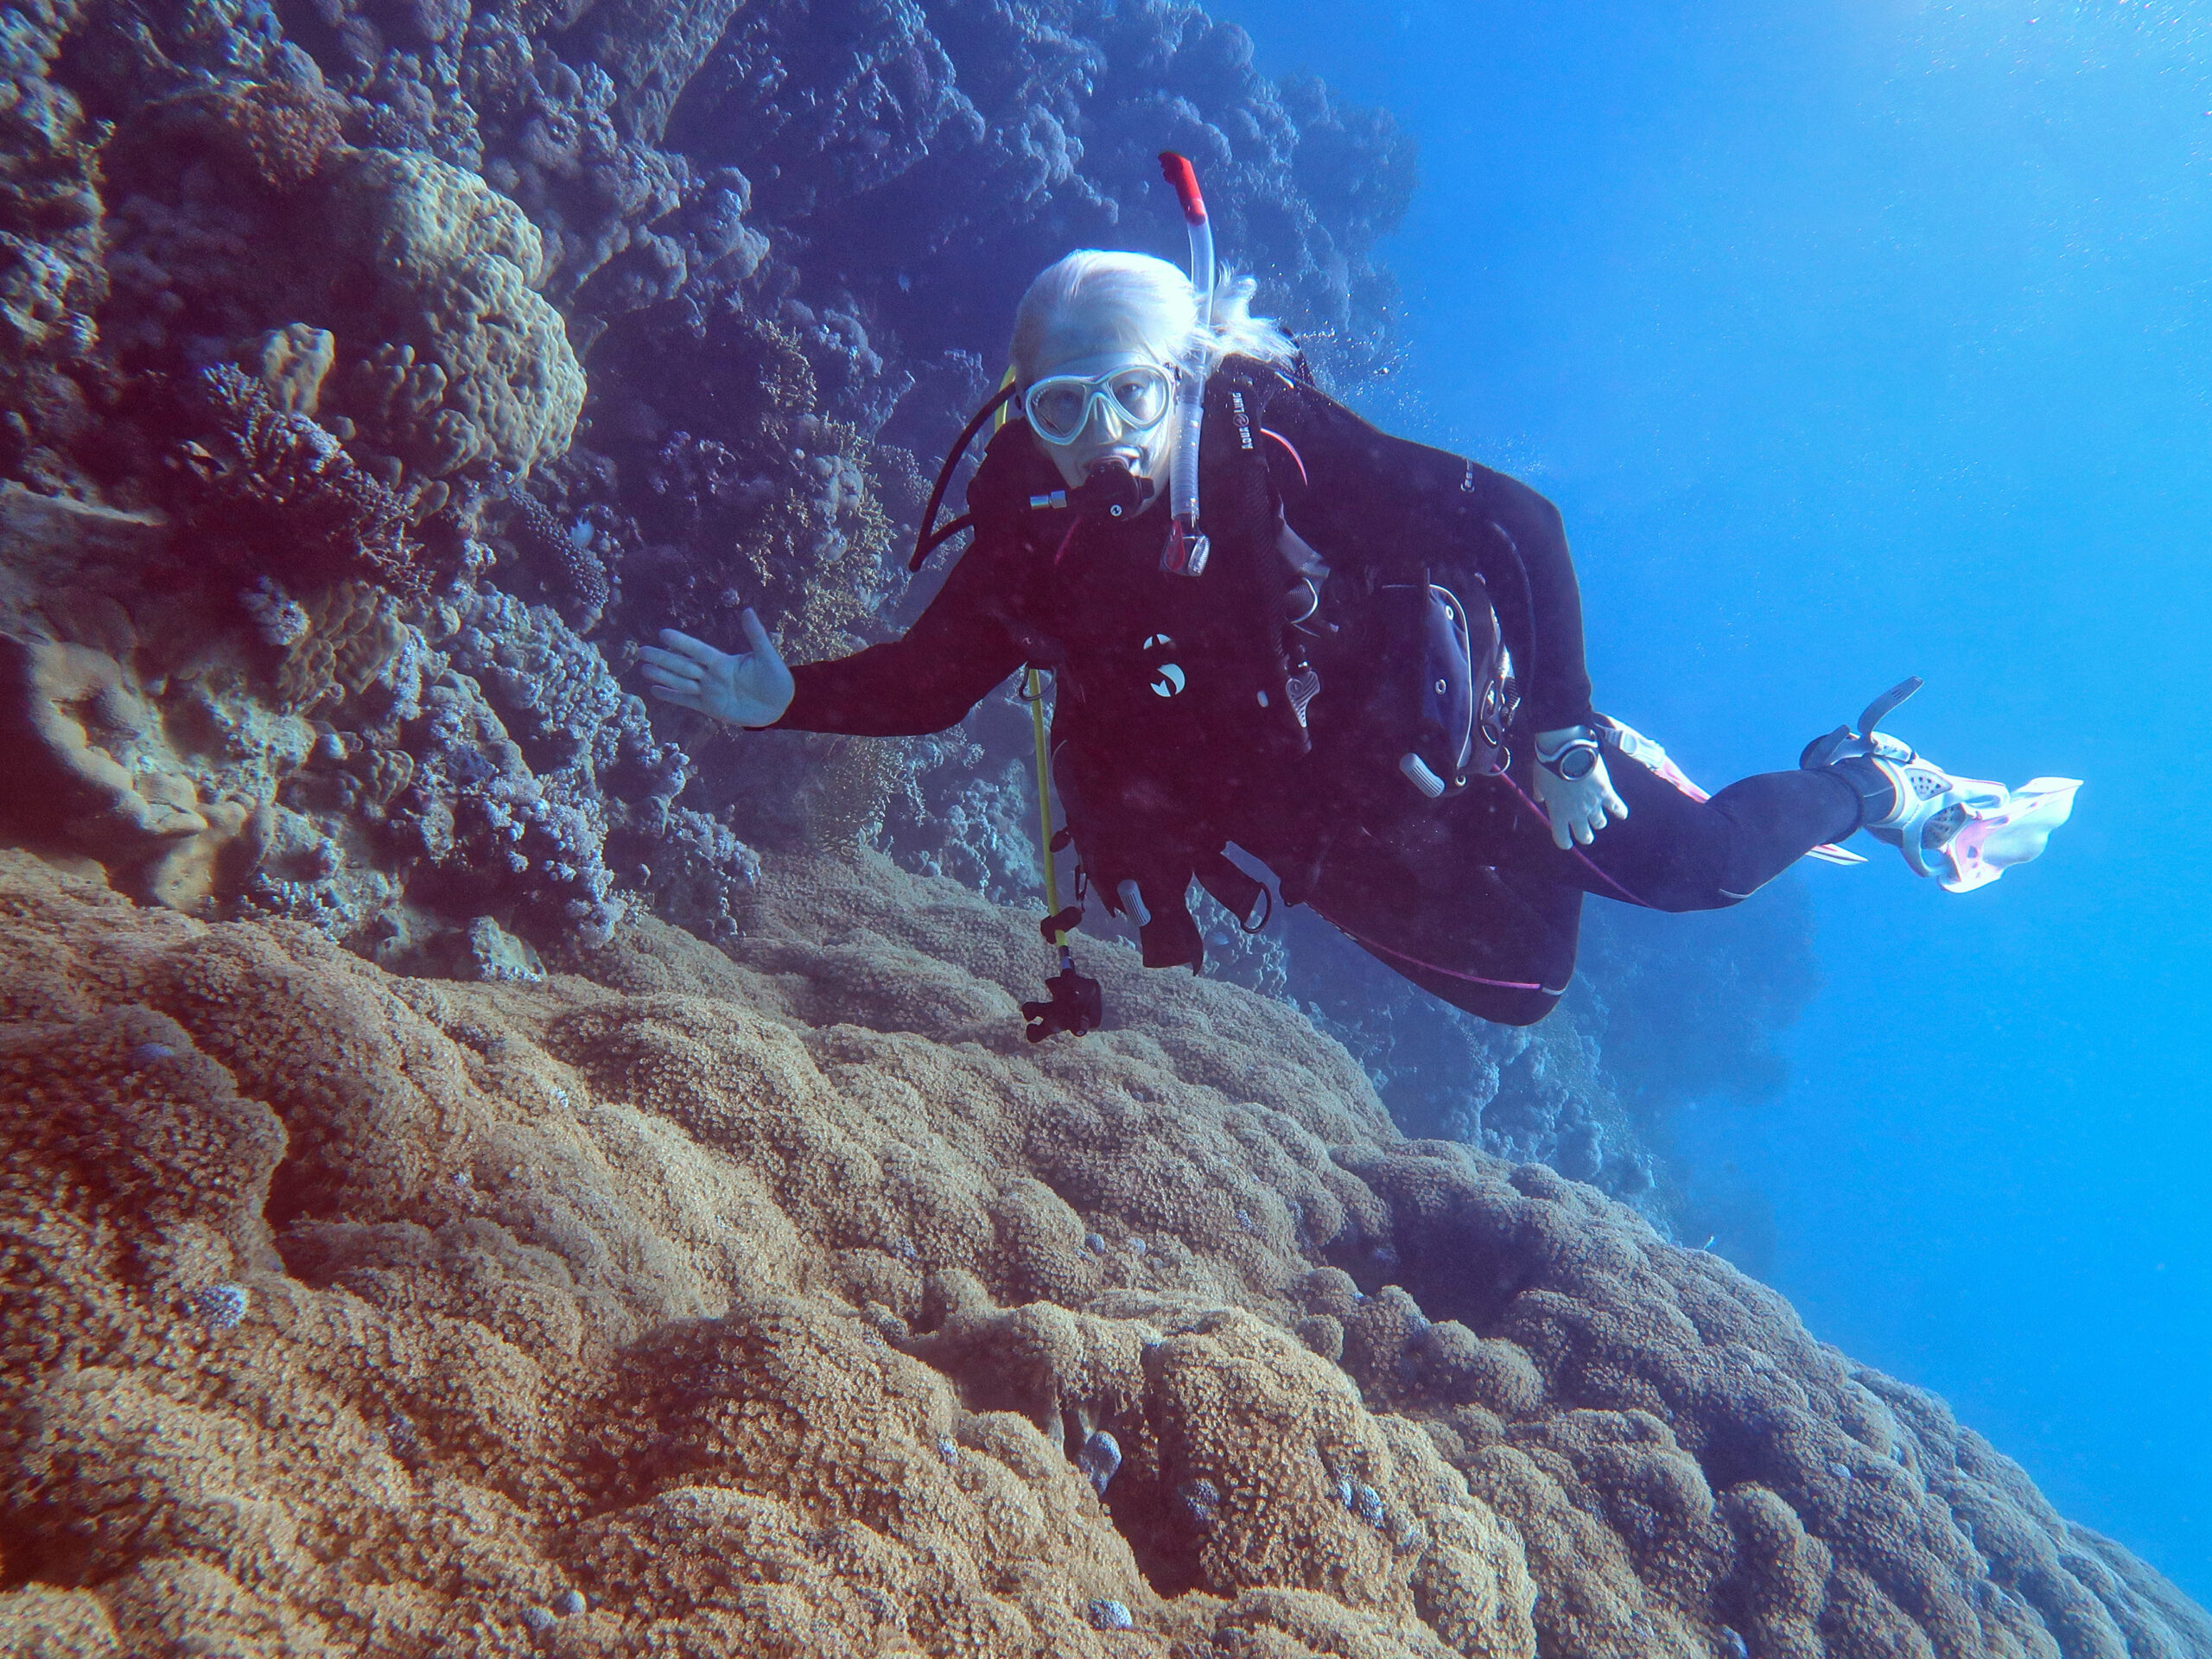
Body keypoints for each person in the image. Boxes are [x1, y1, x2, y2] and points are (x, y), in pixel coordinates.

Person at [639, 246, 2078, 1027]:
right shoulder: (1037, 524)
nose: (1101, 445)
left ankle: (1872, 780)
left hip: (1478, 738)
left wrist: (1566, 723)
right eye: (1059, 411)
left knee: (1694, 875)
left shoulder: (1279, 446)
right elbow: (934, 681)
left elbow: (1521, 521)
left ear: (1188, 376)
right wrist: (785, 702)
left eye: (1131, 399)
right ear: (1023, 411)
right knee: (1527, 998)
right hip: (1323, 819)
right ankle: (1564, 826)